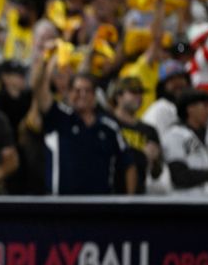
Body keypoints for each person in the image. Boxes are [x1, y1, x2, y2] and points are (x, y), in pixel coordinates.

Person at [34, 51, 137, 195]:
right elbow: (40, 92)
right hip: (62, 207)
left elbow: (128, 164)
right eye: (77, 90)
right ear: (69, 94)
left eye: (87, 90)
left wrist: (129, 202)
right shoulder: (59, 116)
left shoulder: (109, 126)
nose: (81, 95)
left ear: (94, 95)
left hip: (100, 208)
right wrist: (47, 64)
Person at [108, 77, 169, 194]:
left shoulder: (149, 130)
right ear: (118, 96)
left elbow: (156, 174)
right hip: (110, 191)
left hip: (138, 193)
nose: (139, 97)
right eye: (133, 92)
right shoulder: (108, 123)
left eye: (141, 93)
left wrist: (155, 160)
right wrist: (142, 155)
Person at [161, 89, 208, 196]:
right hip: (185, 202)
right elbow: (179, 176)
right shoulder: (174, 135)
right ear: (190, 109)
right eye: (205, 106)